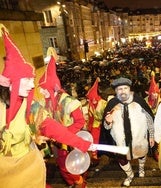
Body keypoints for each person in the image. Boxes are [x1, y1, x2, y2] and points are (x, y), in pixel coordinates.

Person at [0, 24, 93, 188]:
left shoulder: (34, 105)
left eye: (32, 80)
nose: (32, 85)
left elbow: (49, 126)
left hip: (30, 167)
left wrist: (78, 142)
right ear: (12, 82)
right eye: (27, 80)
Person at [38, 53, 88, 188]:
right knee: (62, 166)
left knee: (70, 167)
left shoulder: (70, 102)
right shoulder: (46, 102)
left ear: (52, 86)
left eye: (43, 89)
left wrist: (63, 133)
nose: (41, 92)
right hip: (57, 143)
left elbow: (80, 122)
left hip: (70, 141)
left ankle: (81, 184)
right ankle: (74, 184)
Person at [100, 77, 155, 187]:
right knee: (122, 158)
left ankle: (141, 169)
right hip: (120, 139)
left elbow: (149, 118)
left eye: (125, 88)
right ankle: (130, 175)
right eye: (120, 89)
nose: (123, 91)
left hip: (139, 137)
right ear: (116, 91)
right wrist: (108, 122)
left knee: (141, 154)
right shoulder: (112, 104)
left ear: (129, 89)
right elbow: (106, 128)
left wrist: (151, 135)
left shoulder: (138, 100)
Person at [86, 77, 107, 165]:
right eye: (90, 99)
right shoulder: (90, 104)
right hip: (94, 126)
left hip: (103, 125)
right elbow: (90, 117)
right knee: (94, 139)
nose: (92, 100)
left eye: (93, 98)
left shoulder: (103, 103)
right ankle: (95, 156)